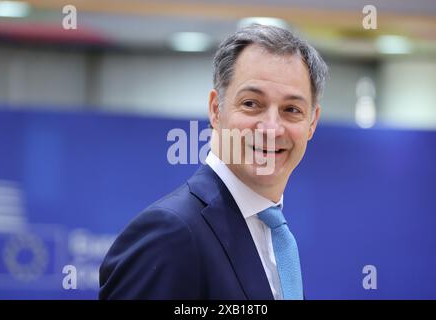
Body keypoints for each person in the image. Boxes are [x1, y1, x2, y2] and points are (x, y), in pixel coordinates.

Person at [99, 23, 328, 300]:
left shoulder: (273, 234)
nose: (271, 127)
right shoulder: (171, 234)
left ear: (312, 122)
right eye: (251, 104)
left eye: (291, 110)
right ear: (216, 110)